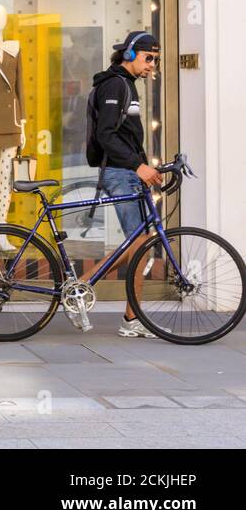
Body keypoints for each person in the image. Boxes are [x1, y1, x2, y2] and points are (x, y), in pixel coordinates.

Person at [87, 31, 162, 338]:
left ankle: (86, 287)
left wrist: (146, 166)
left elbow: (127, 134)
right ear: (131, 54)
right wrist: (137, 165)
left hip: (128, 171)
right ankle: (131, 320)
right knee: (140, 242)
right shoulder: (116, 84)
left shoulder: (127, 85)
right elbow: (106, 134)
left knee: (140, 241)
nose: (152, 65)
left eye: (156, 60)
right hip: (119, 173)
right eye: (149, 58)